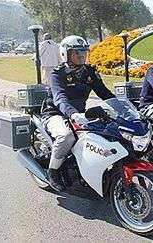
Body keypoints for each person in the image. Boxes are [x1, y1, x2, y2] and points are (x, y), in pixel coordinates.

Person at [41, 35, 116, 191]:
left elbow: (105, 93)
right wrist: (73, 113)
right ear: (66, 54)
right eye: (77, 53)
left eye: (84, 52)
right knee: (66, 136)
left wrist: (123, 108)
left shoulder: (89, 72)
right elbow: (59, 98)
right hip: (55, 113)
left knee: (105, 132)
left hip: (78, 114)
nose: (82, 56)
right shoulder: (57, 74)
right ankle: (52, 171)